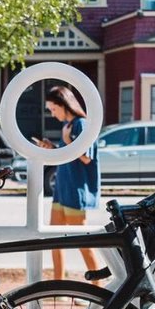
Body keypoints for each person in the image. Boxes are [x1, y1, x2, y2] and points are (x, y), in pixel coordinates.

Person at [36, 85, 101, 281]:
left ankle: (99, 287)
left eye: (53, 109)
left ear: (64, 104)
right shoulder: (68, 126)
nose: (51, 113)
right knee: (56, 240)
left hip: (75, 190)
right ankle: (59, 285)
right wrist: (54, 148)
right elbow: (68, 156)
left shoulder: (81, 124)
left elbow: (86, 158)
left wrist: (67, 141)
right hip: (62, 190)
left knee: (82, 241)